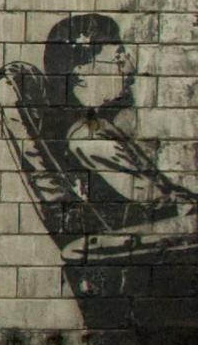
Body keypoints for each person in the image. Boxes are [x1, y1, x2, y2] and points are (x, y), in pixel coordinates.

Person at [37, 12, 197, 228]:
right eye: (118, 58)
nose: (130, 67)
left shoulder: (95, 126)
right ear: (81, 72)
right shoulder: (88, 139)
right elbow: (165, 203)